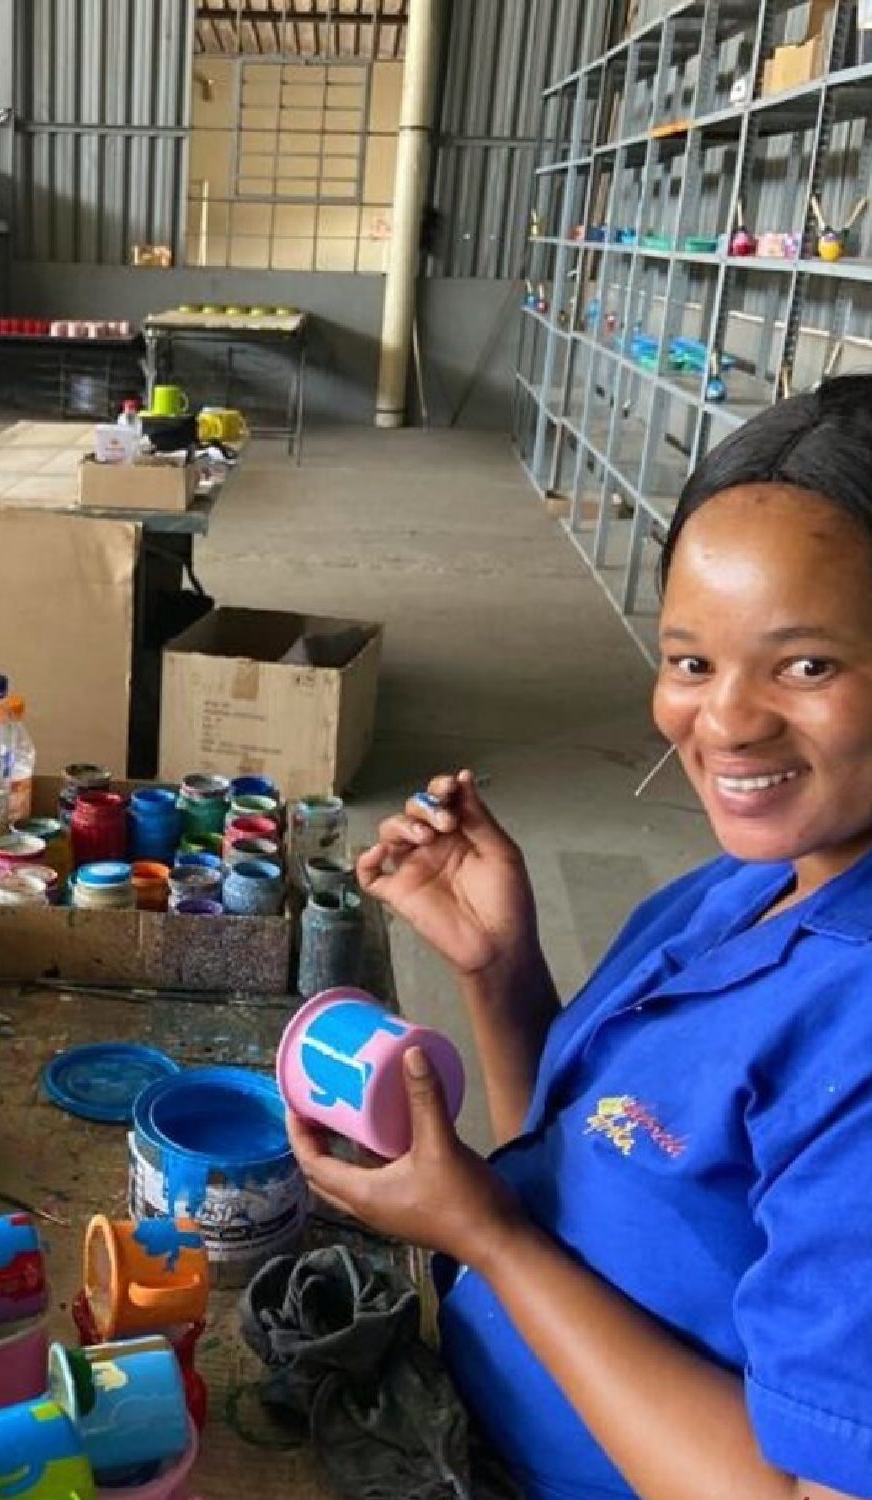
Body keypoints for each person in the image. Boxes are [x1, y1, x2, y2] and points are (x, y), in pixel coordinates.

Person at [288, 375, 872, 1500]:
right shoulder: (744, 887)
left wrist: (487, 1240)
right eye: (692, 661)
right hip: (470, 1417)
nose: (726, 722)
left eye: (807, 665)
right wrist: (499, 971)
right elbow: (586, 1167)